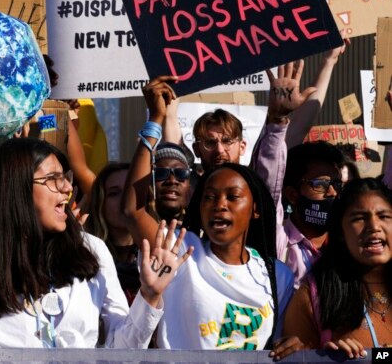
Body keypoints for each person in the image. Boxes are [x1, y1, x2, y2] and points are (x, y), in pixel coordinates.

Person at [0, 137, 189, 348]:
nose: (66, 188)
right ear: (15, 189)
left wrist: (149, 296)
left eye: (66, 177)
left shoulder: (91, 250)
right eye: (53, 179)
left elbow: (120, 351)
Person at [124, 77, 294, 350]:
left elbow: (284, 343)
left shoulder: (279, 277)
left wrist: (298, 344)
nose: (220, 205)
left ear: (256, 210)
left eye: (233, 197)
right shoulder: (181, 253)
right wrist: (155, 119)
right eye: (209, 198)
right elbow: (133, 211)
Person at [279, 178, 392, 359]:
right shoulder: (313, 296)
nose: (374, 227)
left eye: (384, 216)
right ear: (341, 233)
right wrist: (325, 359)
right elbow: (295, 358)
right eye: (359, 218)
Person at [279, 141, 345, 288]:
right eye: (321, 184)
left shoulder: (348, 242)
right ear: (292, 194)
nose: (333, 192)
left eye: (337, 184)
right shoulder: (279, 244)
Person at [84, 162, 139, 304]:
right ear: (100, 203)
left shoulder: (159, 250)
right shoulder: (86, 255)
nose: (124, 200)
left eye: (130, 191)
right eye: (114, 193)